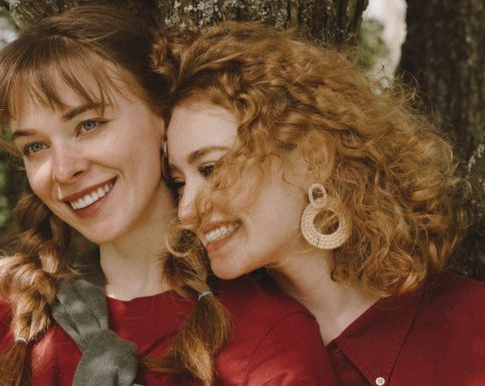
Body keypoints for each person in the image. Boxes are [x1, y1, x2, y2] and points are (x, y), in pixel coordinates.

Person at [0, 7, 337, 386]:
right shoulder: (3, 319)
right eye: (35, 147)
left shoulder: (265, 339)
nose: (62, 170)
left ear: (162, 117)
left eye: (88, 125)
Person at [157, 22, 485, 386]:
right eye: (179, 182)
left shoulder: (472, 326)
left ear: (312, 157)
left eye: (211, 168)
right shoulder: (202, 354)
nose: (186, 210)